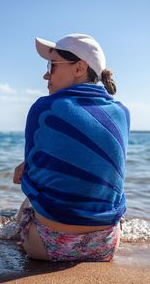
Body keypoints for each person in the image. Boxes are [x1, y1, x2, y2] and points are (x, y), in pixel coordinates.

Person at [13, 33, 130, 262]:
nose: (46, 74)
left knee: (27, 203)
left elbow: (33, 182)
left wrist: (25, 172)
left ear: (79, 68)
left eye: (52, 65)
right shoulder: (122, 112)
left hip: (47, 246)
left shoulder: (44, 107)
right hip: (106, 245)